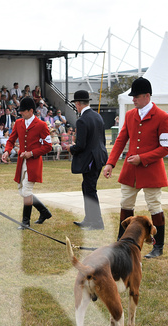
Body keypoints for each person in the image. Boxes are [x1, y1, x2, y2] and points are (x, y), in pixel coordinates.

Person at [102, 77, 168, 258]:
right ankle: (122, 241)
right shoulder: (130, 115)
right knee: (125, 205)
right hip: (130, 171)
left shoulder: (163, 117)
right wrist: (111, 162)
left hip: (151, 170)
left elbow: (166, 148)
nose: (133, 99)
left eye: (136, 96)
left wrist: (142, 158)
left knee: (154, 207)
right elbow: (121, 140)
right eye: (132, 96)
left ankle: (158, 246)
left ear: (147, 96)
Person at [1, 97, 52, 229]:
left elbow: (48, 146)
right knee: (22, 190)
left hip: (33, 162)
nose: (21, 113)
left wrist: (32, 153)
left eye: (23, 111)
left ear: (30, 111)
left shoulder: (41, 125)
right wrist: (7, 151)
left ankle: (25, 222)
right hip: (21, 162)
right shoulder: (18, 123)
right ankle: (44, 211)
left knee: (27, 190)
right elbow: (11, 140)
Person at [68, 90, 108, 230]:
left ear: (78, 104)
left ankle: (97, 222)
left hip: (90, 159)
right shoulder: (97, 116)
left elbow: (81, 145)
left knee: (89, 189)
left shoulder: (82, 120)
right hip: (99, 157)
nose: (76, 107)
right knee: (87, 187)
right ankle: (90, 218)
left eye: (76, 105)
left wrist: (70, 148)